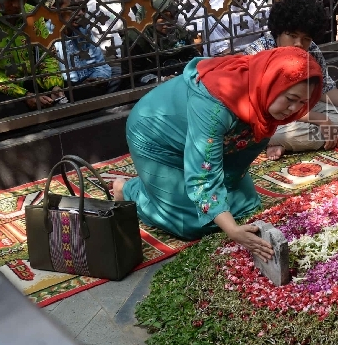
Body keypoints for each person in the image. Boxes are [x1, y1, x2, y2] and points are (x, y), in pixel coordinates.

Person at [114, 46, 323, 250]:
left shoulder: (261, 91)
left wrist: (227, 191)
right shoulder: (215, 105)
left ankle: (176, 190)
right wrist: (232, 230)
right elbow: (202, 176)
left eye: (302, 102)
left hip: (206, 139)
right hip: (158, 138)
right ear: (271, 84)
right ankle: (131, 191)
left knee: (247, 206)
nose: (294, 109)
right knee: (190, 224)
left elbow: (246, 146)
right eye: (290, 99)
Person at [244, 0, 338, 159]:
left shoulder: (310, 49)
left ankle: (294, 142)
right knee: (271, 134)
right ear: (278, 31)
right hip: (264, 118)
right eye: (292, 36)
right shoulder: (258, 54)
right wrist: (320, 119)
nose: (299, 44)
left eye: (305, 38)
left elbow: (326, 90)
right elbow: (263, 107)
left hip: (299, 111)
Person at [0, 0, 65, 118]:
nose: (17, 5)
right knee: (17, 113)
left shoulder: (32, 13)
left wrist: (54, 85)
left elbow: (46, 53)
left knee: (78, 96)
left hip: (32, 82)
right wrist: (24, 95)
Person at [51, 0, 118, 100]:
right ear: (56, 11)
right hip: (69, 87)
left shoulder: (83, 30)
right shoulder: (48, 36)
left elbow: (100, 63)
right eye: (73, 8)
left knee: (119, 72)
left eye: (83, 8)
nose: (81, 13)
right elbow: (57, 76)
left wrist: (98, 78)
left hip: (91, 81)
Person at [122, 0, 200, 86]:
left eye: (172, 16)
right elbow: (131, 77)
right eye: (162, 17)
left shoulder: (180, 33)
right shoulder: (135, 40)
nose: (169, 22)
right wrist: (160, 80)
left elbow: (193, 58)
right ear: (149, 18)